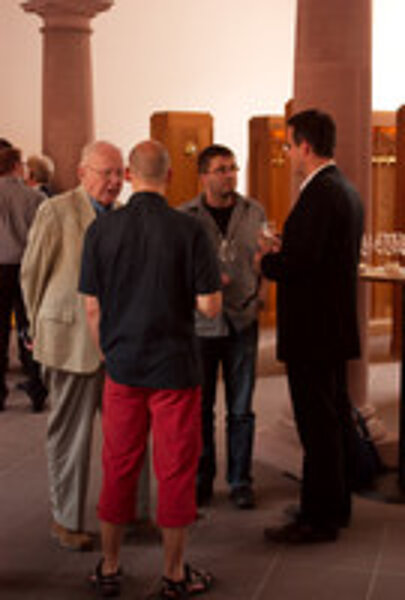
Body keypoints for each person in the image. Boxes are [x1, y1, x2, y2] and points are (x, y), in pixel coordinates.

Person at [79, 140, 222, 599]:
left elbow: (92, 308)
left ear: (129, 175)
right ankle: (175, 574)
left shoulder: (101, 230)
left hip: (123, 366)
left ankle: (109, 566)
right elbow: (210, 306)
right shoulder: (190, 229)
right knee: (176, 470)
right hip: (175, 369)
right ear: (170, 176)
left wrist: (108, 353)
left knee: (118, 465)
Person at [257, 109, 364, 544]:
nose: (287, 154)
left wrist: (267, 260)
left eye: (288, 146)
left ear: (305, 146)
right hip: (332, 325)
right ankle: (335, 506)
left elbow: (302, 265)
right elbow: (321, 254)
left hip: (313, 331)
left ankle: (316, 518)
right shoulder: (346, 190)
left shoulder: (320, 193)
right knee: (333, 419)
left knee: (316, 425)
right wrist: (288, 247)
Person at [20, 140, 124, 551]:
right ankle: (66, 521)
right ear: (83, 173)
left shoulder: (123, 217)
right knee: (70, 437)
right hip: (69, 339)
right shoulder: (56, 211)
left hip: (117, 343)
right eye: (105, 172)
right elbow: (32, 274)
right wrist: (37, 326)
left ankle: (130, 514)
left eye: (119, 172)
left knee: (126, 435)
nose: (114, 181)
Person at [180, 144, 267, 509]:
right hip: (201, 325)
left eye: (233, 168)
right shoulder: (184, 217)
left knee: (241, 409)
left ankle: (240, 481)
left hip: (243, 320)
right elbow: (176, 270)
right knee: (201, 409)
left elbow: (262, 260)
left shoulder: (254, 211)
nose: (230, 175)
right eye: (221, 169)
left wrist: (260, 292)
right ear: (204, 176)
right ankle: (202, 480)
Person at [0, 143, 46, 411]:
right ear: (17, 166)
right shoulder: (35, 198)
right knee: (29, 329)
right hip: (25, 267)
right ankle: (37, 388)